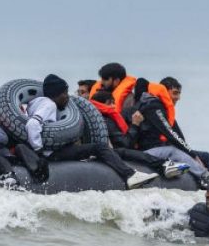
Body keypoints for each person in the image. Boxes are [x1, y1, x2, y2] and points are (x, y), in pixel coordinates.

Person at [28, 75, 158, 189]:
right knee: (99, 147)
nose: (67, 97)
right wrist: (39, 153)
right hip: (51, 153)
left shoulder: (34, 103)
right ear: (56, 94)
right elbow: (32, 124)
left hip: (50, 150)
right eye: (65, 93)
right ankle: (130, 175)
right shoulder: (49, 105)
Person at [127, 78, 209, 186]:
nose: (178, 98)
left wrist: (192, 154)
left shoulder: (164, 110)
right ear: (164, 91)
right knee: (174, 151)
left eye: (179, 94)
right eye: (175, 93)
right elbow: (170, 134)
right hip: (147, 152)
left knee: (204, 155)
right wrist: (192, 156)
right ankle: (205, 177)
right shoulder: (153, 107)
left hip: (160, 149)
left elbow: (179, 137)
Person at [89, 90, 189, 179]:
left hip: (102, 150)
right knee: (124, 151)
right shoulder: (107, 120)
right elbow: (126, 144)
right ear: (108, 103)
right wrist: (135, 124)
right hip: (110, 153)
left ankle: (165, 165)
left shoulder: (93, 117)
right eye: (112, 103)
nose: (114, 106)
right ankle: (164, 165)